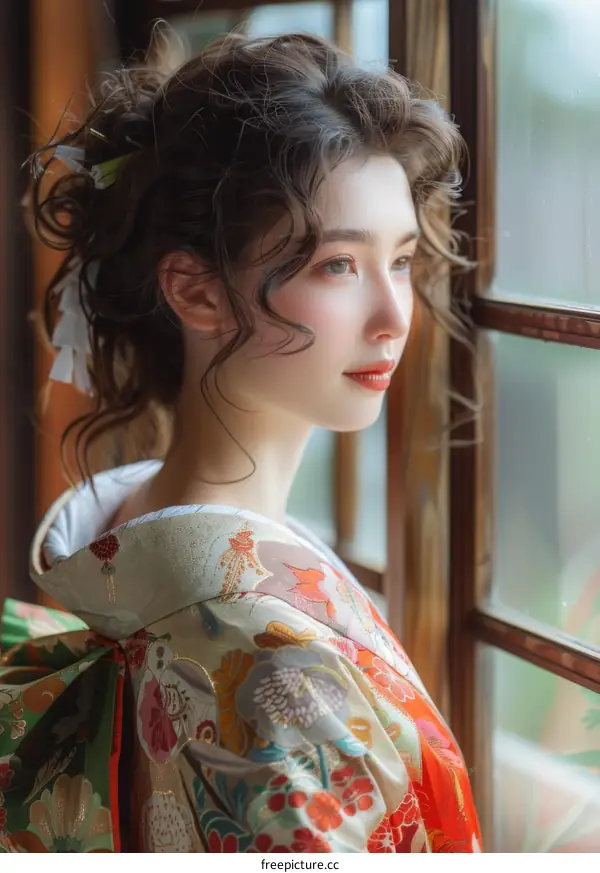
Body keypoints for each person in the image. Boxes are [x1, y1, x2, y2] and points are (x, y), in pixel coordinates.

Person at [0, 32, 481, 853]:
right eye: (337, 265)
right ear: (195, 290)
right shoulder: (270, 663)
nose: (395, 316)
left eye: (400, 260)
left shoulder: (115, 519)